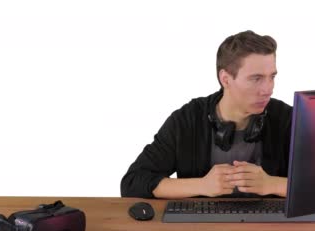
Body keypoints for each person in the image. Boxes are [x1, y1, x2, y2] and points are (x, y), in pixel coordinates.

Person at [120, 30, 292, 199]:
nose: (268, 89)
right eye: (256, 79)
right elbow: (133, 182)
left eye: (272, 77)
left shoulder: (288, 119)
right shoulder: (187, 119)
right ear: (225, 79)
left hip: (269, 227)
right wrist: (202, 185)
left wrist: (272, 184)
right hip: (201, 227)